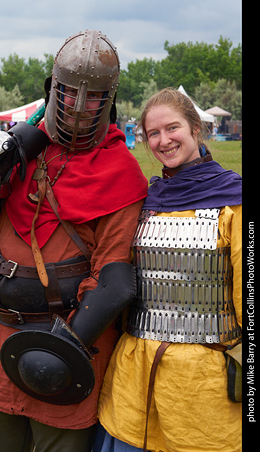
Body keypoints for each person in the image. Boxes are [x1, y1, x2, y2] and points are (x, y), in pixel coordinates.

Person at [0, 30, 148, 452]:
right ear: (53, 89)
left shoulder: (121, 173)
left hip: (69, 343)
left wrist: (62, 352)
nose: (78, 105)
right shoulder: (21, 151)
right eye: (69, 92)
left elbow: (114, 280)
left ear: (107, 101)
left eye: (92, 97)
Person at [95, 88, 242, 452]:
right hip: (136, 373)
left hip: (203, 383)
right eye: (153, 134)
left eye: (172, 128)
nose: (163, 140)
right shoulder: (148, 201)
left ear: (195, 129)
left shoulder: (235, 201)